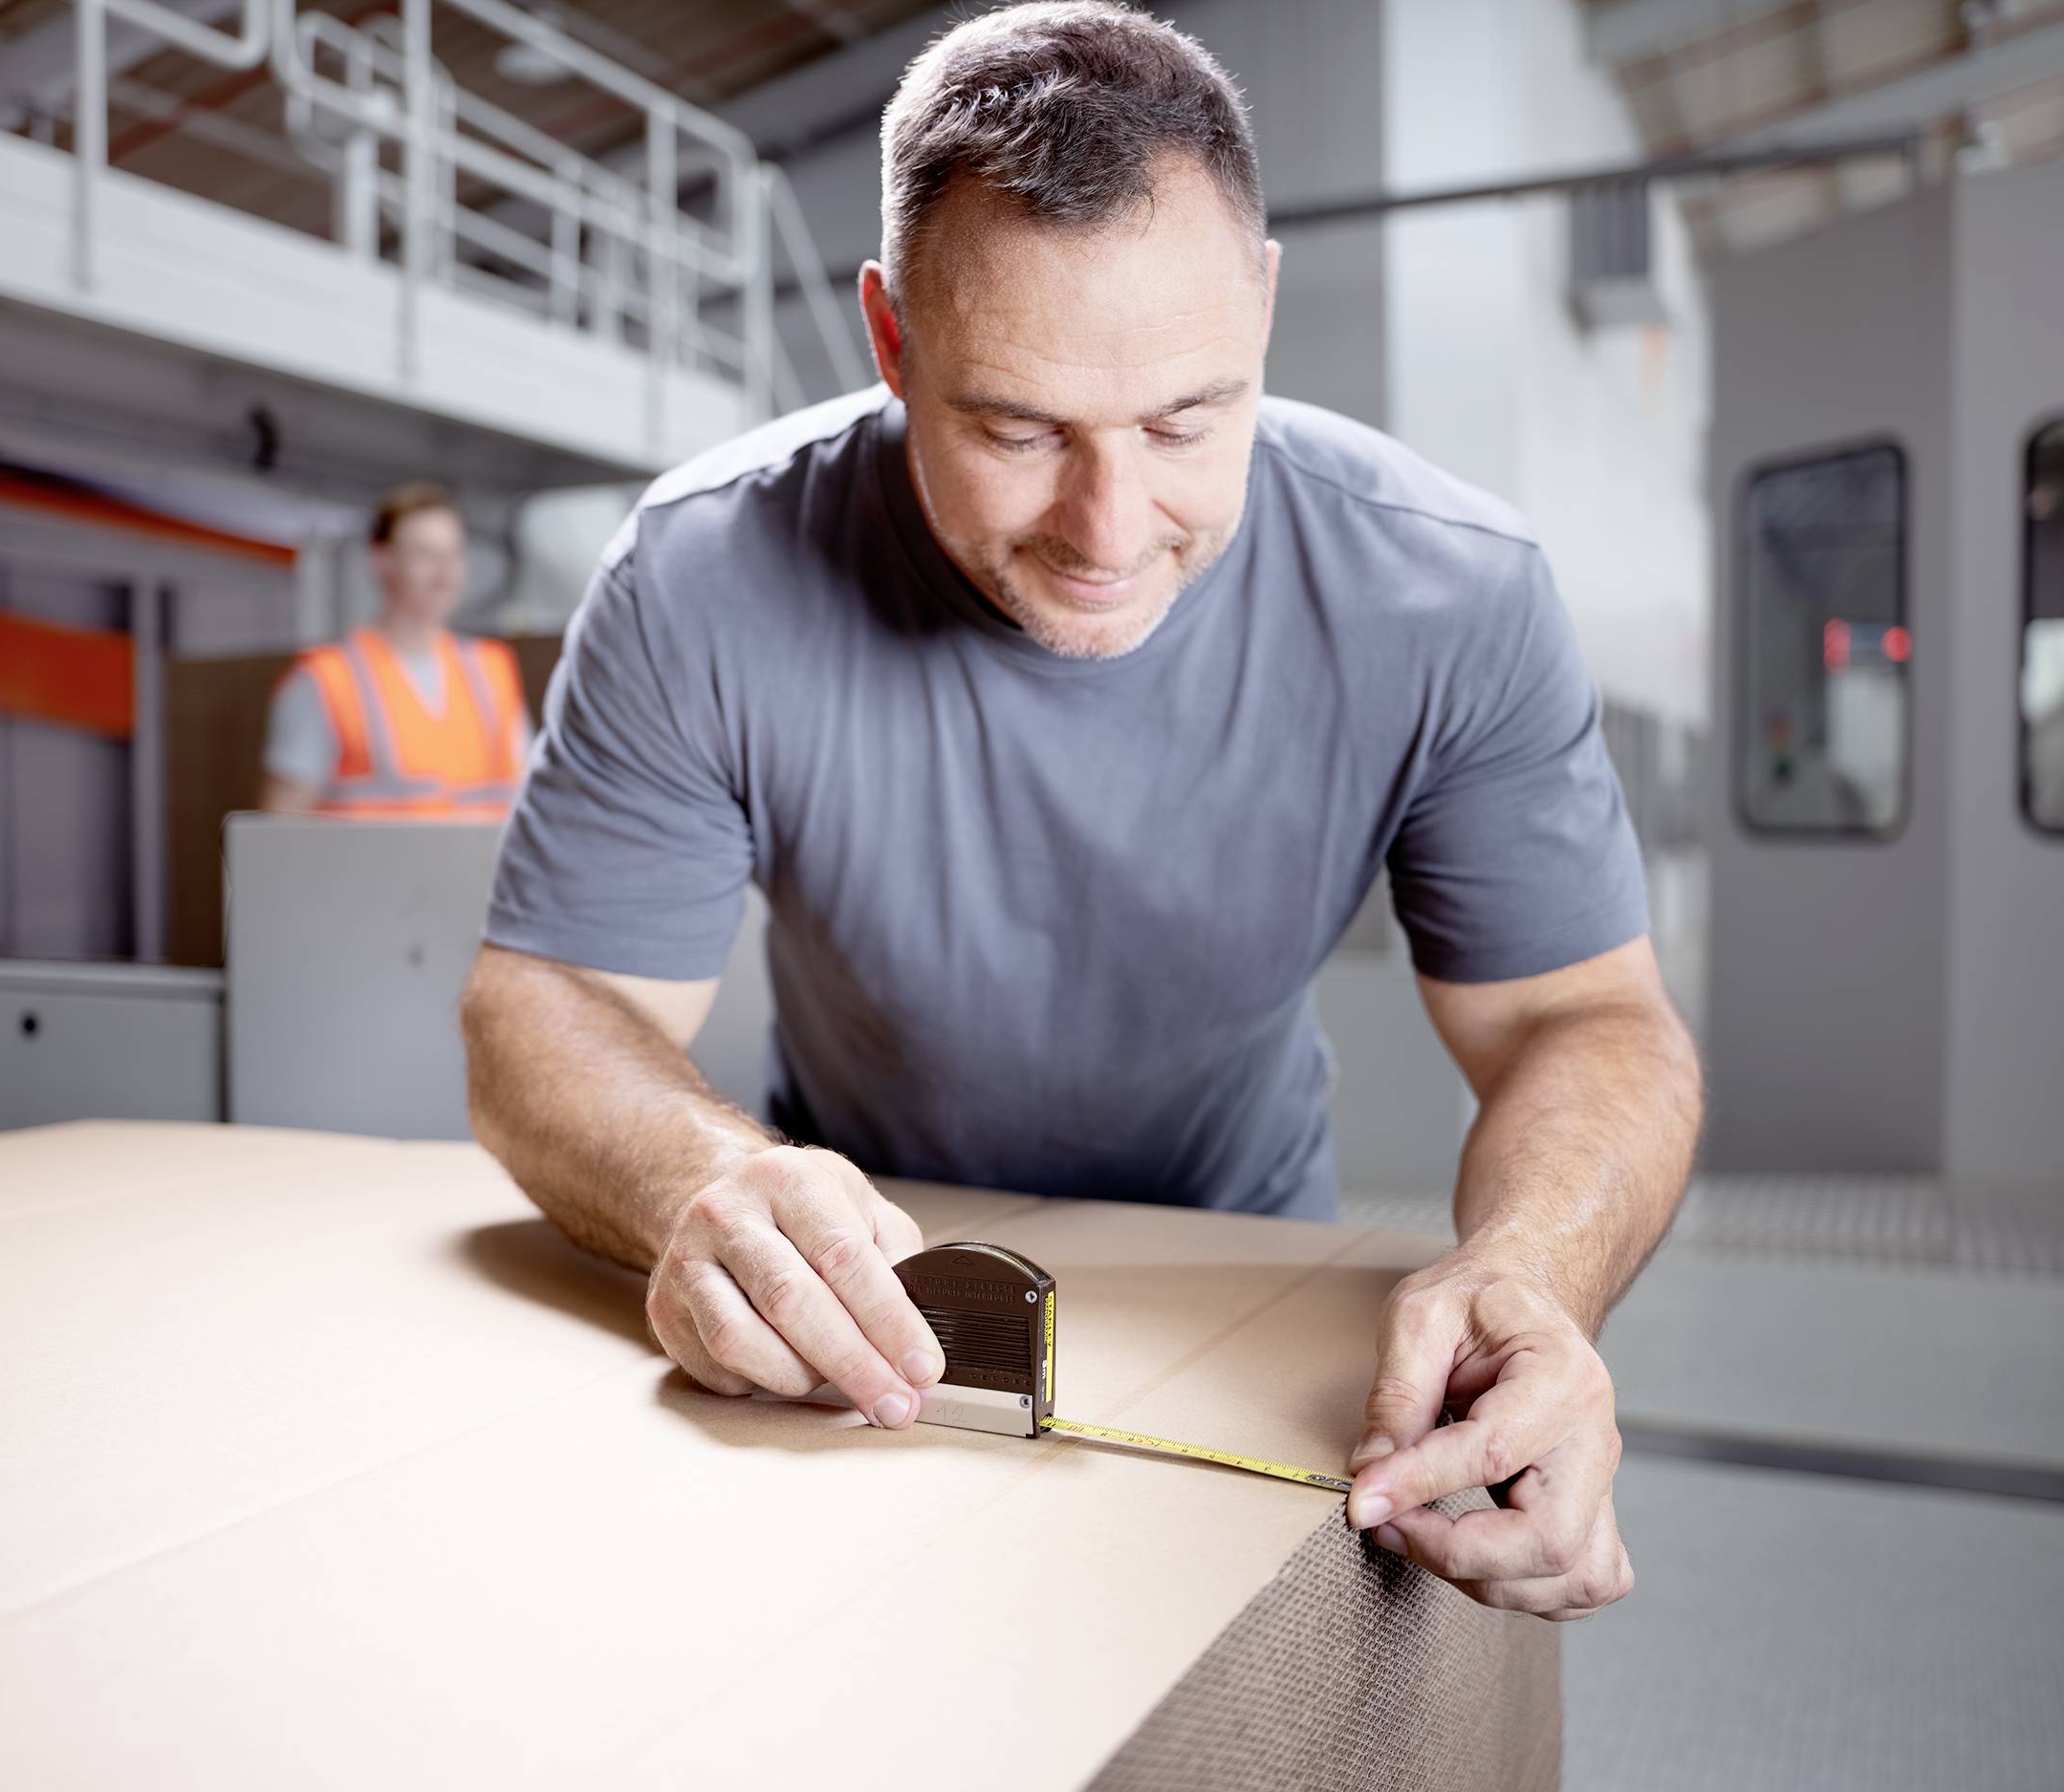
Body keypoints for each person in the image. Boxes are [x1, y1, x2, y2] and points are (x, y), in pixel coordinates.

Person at [461, 1, 1699, 1623]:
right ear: (892, 338)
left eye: (1187, 419)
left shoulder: (1452, 593)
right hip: (859, 1291)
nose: (1109, 529)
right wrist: (700, 1179)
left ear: (1261, 303)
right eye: (1017, 429)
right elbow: (550, 1000)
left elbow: (1584, 1018)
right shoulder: (702, 575)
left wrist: (1530, 1274)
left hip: (1251, 1267)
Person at [263, 483, 529, 818]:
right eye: (425, 555)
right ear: (382, 561)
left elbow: (527, 797)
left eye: (453, 554)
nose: (445, 574)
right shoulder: (326, 680)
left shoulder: (493, 671)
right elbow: (281, 825)